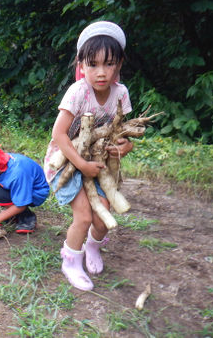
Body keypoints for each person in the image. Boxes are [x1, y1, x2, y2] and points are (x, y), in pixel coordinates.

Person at [43, 21, 134, 291]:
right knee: (83, 217)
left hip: (97, 161)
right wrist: (80, 164)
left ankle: (93, 246)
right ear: (81, 64)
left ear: (119, 64)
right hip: (65, 159)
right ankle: (70, 260)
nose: (101, 73)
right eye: (92, 64)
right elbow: (59, 134)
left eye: (109, 64)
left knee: (102, 214)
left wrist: (124, 146)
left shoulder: (121, 93)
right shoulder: (78, 91)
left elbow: (121, 132)